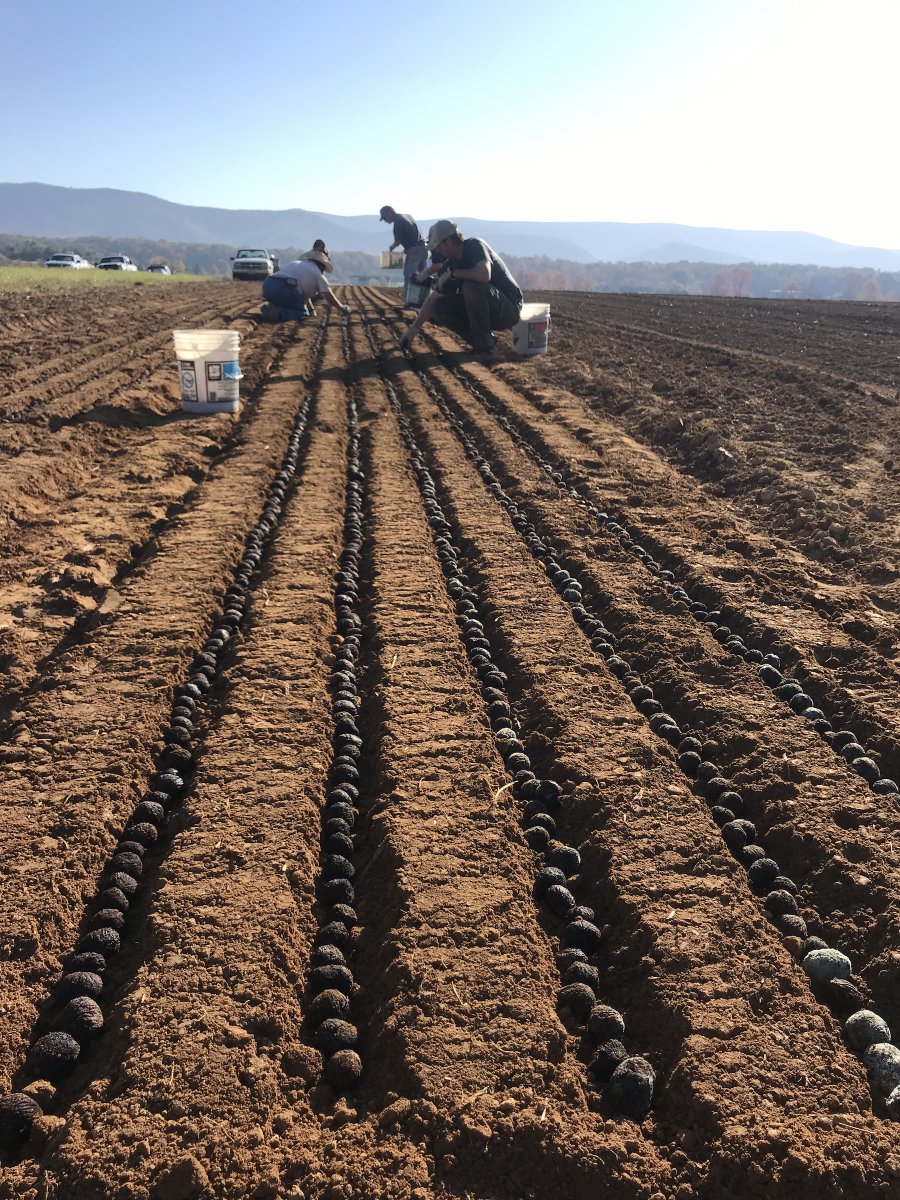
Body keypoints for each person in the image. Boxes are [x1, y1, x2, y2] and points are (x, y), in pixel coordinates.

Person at [400, 220, 522, 361]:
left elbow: (484, 274)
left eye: (439, 246)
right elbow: (435, 296)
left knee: (471, 286)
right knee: (439, 307)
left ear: (449, 241)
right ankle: (483, 342)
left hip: (509, 309)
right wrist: (414, 328)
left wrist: (454, 273)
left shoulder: (475, 245)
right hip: (485, 309)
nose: (437, 251)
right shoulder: (451, 263)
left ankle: (486, 351)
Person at [260, 249, 350, 323]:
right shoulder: (317, 274)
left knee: (290, 301)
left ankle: (273, 306)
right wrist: (342, 308)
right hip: (285, 288)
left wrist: (311, 310)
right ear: (322, 266)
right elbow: (329, 295)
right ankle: (277, 313)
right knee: (302, 314)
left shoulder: (297, 264)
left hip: (268, 284)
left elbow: (304, 295)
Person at [379, 206, 428, 293]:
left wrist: (391, 248)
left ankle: (409, 299)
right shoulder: (407, 216)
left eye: (385, 218)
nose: (385, 221)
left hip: (413, 251)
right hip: (423, 248)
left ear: (389, 213)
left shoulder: (398, 222)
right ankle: (424, 297)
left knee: (409, 275)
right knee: (423, 274)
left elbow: (397, 242)